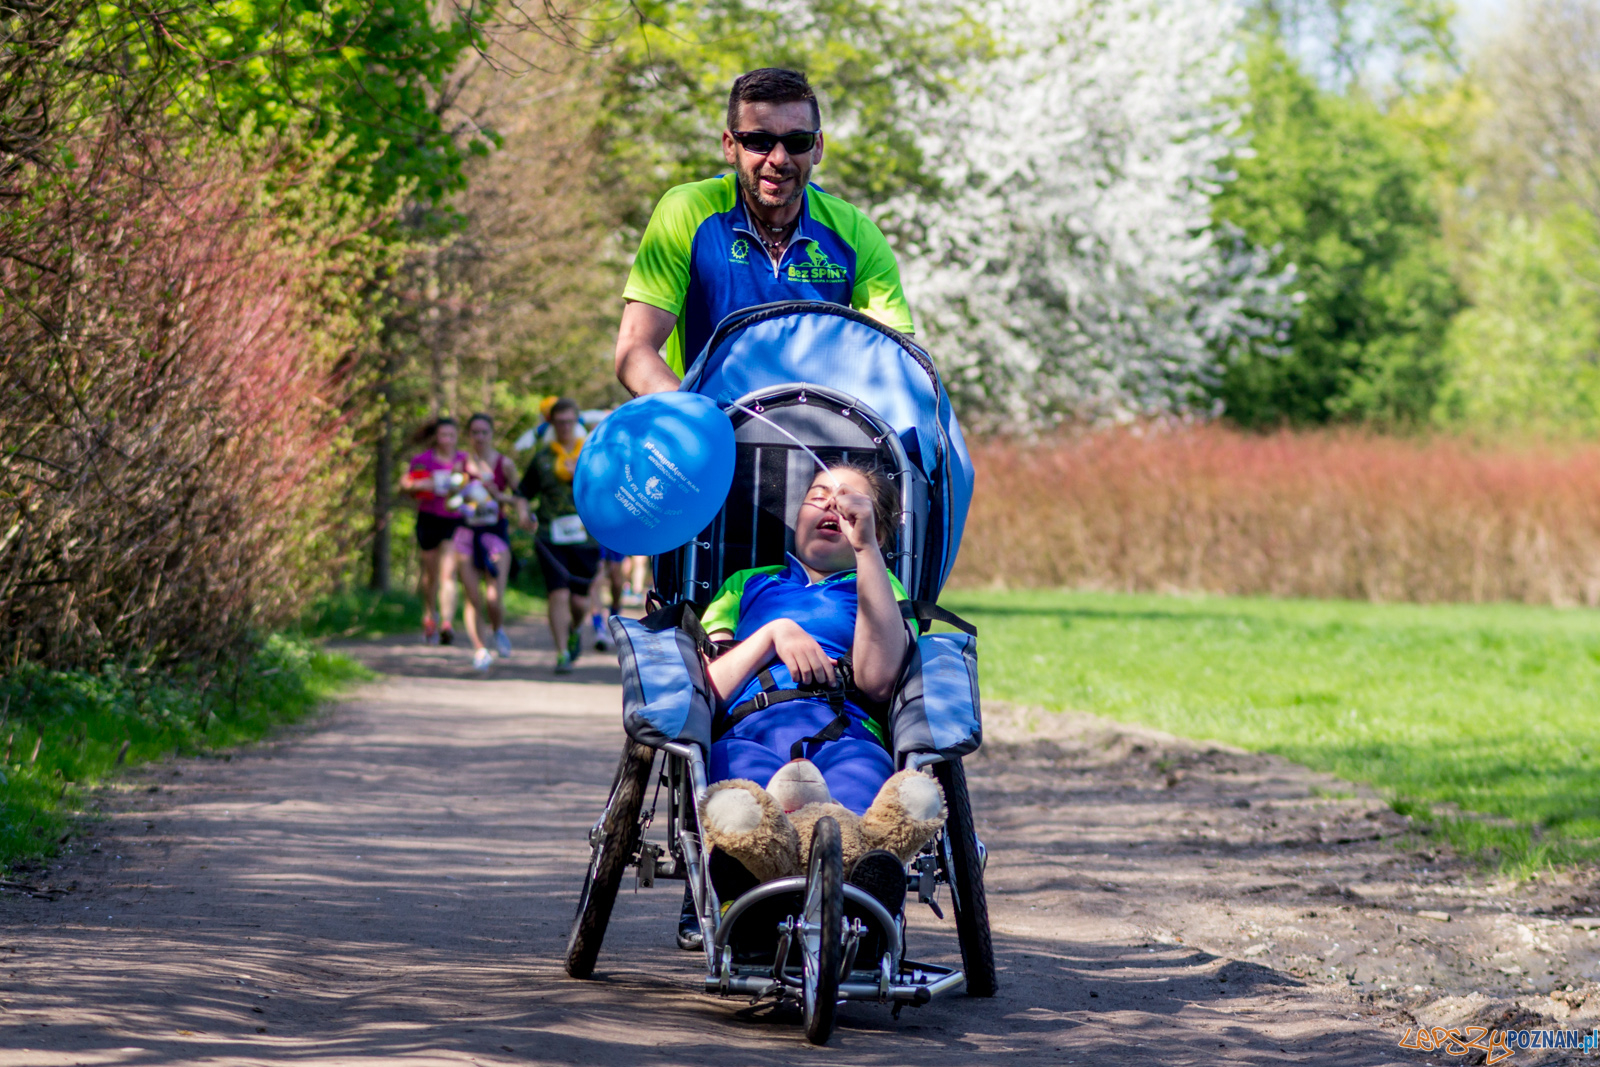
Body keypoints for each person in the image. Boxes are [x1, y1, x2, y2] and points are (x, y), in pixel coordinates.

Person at [675, 460, 908, 948]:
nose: (831, 503)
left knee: (856, 813)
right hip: (750, 727)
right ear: (796, 516)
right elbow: (710, 691)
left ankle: (860, 922)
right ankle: (751, 907)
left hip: (847, 732)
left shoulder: (879, 588)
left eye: (849, 500)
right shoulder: (747, 583)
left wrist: (867, 553)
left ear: (878, 528)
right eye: (819, 493)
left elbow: (879, 680)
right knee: (742, 803)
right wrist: (774, 634)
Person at [613, 67, 915, 397]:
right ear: (730, 146)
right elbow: (634, 351)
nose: (779, 158)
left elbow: (899, 368)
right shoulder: (687, 212)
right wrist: (698, 423)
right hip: (714, 431)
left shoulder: (855, 232)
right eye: (759, 141)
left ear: (817, 147)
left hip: (820, 436)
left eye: (797, 141)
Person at [517, 397, 599, 674]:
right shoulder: (541, 458)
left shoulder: (591, 453)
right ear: (551, 423)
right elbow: (522, 493)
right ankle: (562, 652)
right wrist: (522, 513)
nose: (564, 426)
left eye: (569, 421)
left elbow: (608, 490)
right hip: (550, 536)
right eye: (559, 422)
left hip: (586, 537)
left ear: (576, 421)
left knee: (580, 601)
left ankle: (575, 629)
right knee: (558, 594)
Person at [454, 413, 522, 672]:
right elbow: (450, 499)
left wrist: (497, 496)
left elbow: (519, 499)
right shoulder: (460, 466)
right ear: (469, 436)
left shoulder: (505, 465)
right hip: (466, 534)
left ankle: (498, 629)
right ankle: (480, 650)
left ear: (492, 433)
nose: (479, 437)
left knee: (493, 596)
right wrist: (460, 496)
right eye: (474, 432)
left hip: (495, 534)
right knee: (472, 597)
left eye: (484, 432)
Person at [401, 418, 469, 647]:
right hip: (428, 519)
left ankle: (447, 623)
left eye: (452, 435)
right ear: (436, 437)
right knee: (430, 576)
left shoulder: (464, 461)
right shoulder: (422, 460)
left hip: (454, 520)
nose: (448, 440)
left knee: (448, 574)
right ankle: (430, 615)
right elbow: (407, 485)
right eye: (443, 435)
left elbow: (476, 487)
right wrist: (420, 485)